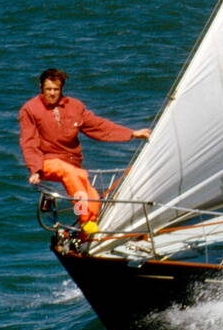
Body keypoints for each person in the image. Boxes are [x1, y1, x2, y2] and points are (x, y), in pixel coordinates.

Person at [19, 69, 150, 230]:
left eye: (56, 89)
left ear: (61, 89)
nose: (52, 93)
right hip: (46, 162)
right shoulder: (30, 109)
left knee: (91, 196)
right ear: (41, 88)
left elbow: (98, 126)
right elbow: (28, 142)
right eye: (48, 89)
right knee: (74, 182)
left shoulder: (74, 106)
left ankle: (86, 231)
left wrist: (132, 133)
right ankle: (84, 217)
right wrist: (35, 169)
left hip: (73, 163)